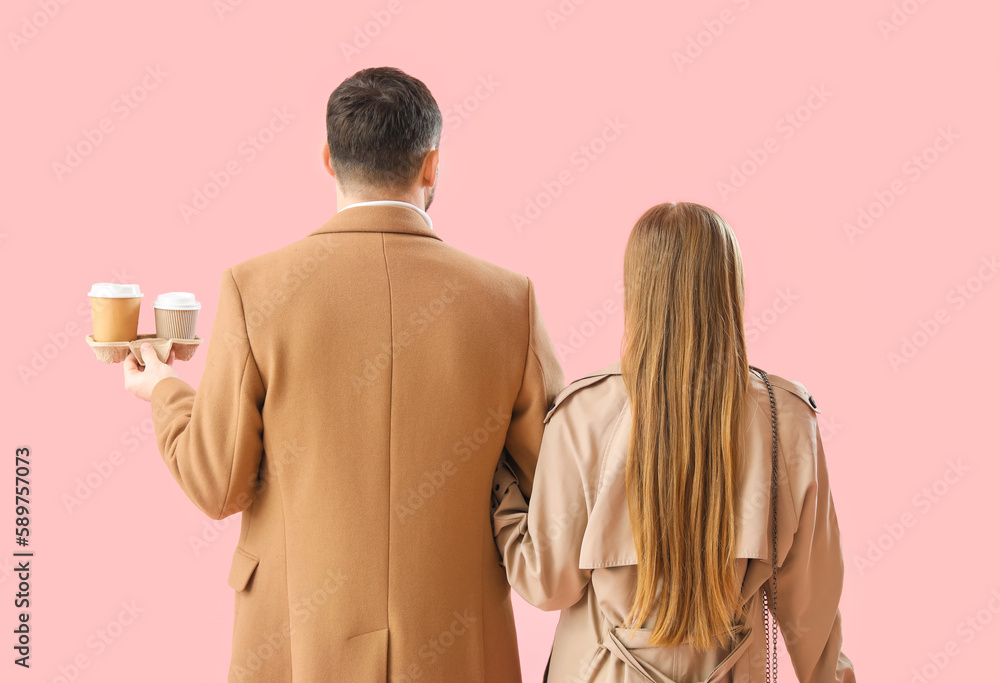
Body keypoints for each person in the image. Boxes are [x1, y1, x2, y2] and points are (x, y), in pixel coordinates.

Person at [124, 66, 563, 682]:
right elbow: (558, 480)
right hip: (454, 641)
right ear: (431, 165)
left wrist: (164, 392)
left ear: (329, 159)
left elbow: (217, 483)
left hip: (296, 637)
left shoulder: (256, 289)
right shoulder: (508, 300)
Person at [492, 202, 856, 682]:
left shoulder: (583, 412)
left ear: (637, 290)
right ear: (731, 286)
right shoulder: (785, 415)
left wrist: (501, 486)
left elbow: (547, 583)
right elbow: (812, 608)